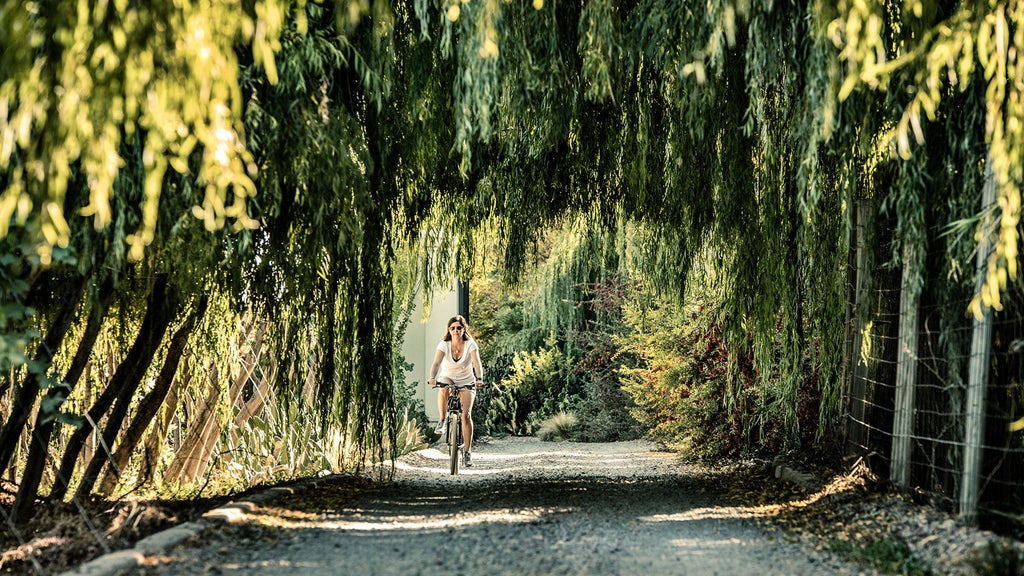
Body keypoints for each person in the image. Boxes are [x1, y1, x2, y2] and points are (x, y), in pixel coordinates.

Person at [427, 315, 484, 466]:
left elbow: (477, 364)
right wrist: (432, 377)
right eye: (452, 328)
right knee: (443, 387)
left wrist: (479, 379)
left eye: (459, 328)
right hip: (448, 377)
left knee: (466, 415)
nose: (456, 330)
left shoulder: (470, 344)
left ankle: (467, 452)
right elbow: (436, 363)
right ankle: (442, 421)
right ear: (449, 330)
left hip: (467, 381)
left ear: (464, 329)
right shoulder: (444, 344)